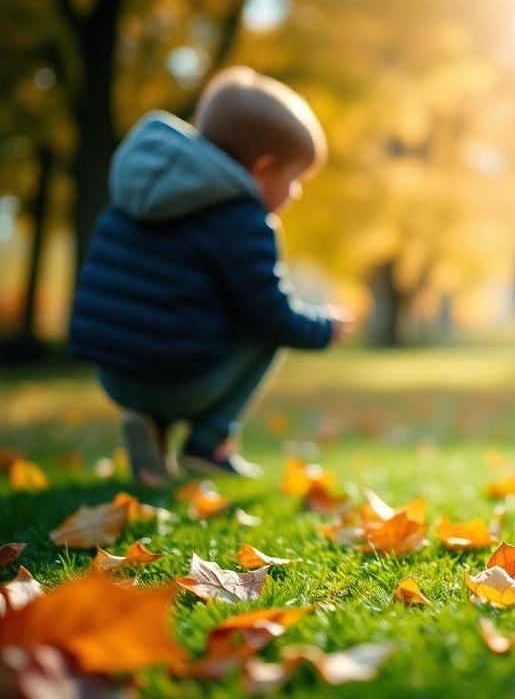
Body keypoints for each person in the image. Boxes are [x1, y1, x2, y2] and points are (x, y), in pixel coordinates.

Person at [69, 66, 353, 485]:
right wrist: (324, 328)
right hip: (177, 382)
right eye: (294, 181)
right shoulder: (243, 220)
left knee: (188, 317)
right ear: (261, 169)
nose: (295, 194)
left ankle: (153, 427)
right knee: (262, 330)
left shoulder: (136, 193)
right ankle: (209, 442)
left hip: (112, 373)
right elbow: (272, 316)